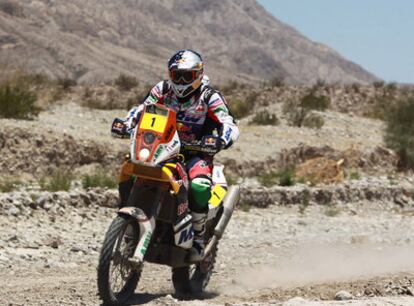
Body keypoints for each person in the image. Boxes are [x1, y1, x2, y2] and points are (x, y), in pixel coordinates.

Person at [118, 49, 239, 261]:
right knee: (130, 167)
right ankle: (127, 215)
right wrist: (126, 124)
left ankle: (199, 236)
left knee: (199, 185)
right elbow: (141, 109)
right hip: (162, 148)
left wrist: (221, 139)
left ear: (199, 74)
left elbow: (228, 122)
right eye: (177, 75)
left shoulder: (210, 96)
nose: (181, 81)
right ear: (170, 75)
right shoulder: (162, 89)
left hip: (196, 152)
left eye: (187, 76)